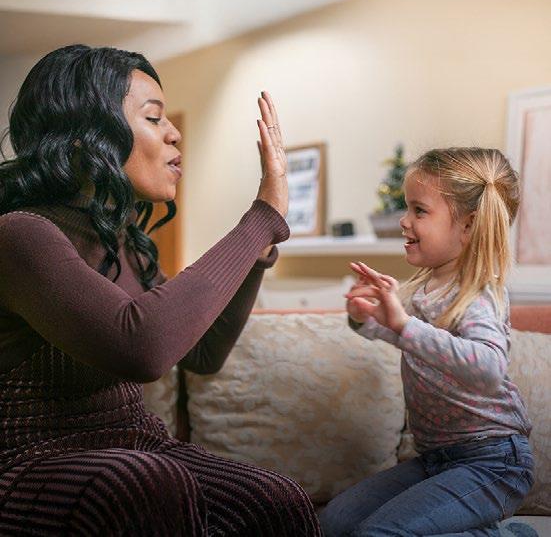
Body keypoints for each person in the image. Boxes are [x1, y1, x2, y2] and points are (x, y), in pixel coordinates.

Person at [0, 44, 321, 536]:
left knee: (273, 500)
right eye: (153, 118)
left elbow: (204, 355)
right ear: (84, 137)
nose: (174, 133)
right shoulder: (20, 236)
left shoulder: (127, 242)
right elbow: (141, 346)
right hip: (27, 457)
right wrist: (261, 220)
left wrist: (258, 250)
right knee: (146, 483)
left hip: (135, 446)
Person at [319, 147, 534, 537]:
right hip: (437, 459)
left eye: (419, 211)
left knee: (377, 534)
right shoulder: (424, 287)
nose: (404, 220)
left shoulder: (479, 293)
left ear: (468, 226)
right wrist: (366, 317)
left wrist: (404, 325)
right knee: (333, 523)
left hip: (494, 462)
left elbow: (488, 368)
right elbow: (406, 337)